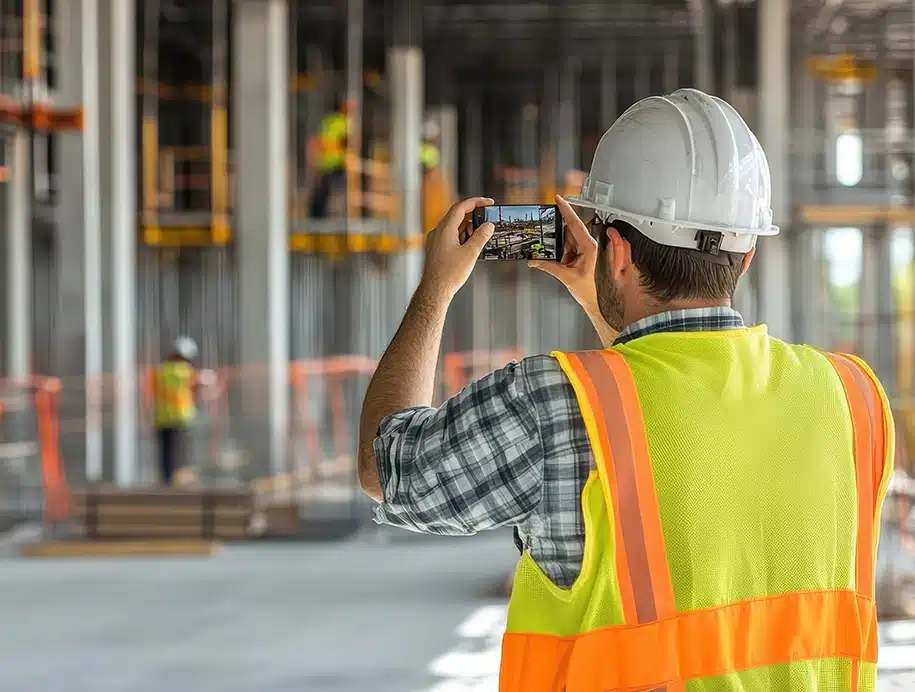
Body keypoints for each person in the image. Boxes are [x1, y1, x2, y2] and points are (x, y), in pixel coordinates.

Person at [357, 89, 894, 689]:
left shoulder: (555, 401)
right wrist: (605, 304)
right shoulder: (853, 397)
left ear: (614, 250)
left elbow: (389, 467)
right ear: (745, 259)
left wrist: (436, 287)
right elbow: (678, 408)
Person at [152, 337, 199, 485]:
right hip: (181, 417)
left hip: (162, 418)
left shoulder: (160, 371)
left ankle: (167, 479)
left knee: (166, 452)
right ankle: (182, 478)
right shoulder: (185, 371)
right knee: (182, 452)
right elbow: (198, 383)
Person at [310, 97, 353, 219]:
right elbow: (343, 143)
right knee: (327, 191)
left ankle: (320, 215)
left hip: (334, 162)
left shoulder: (333, 121)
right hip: (332, 163)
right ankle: (319, 215)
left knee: (330, 191)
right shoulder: (340, 122)